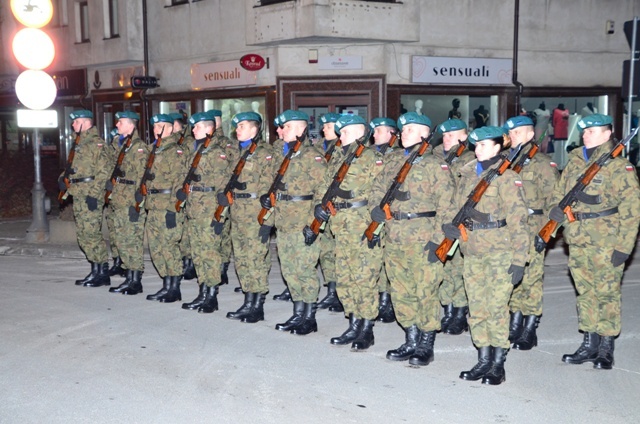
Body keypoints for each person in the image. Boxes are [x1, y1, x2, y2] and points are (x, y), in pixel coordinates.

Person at [549, 114, 640, 370]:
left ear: (607, 134)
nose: (585, 134)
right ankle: (589, 343)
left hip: (607, 240)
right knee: (585, 292)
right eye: (585, 131)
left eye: (592, 131)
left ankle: (606, 348)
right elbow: (559, 194)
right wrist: (555, 211)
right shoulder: (576, 163)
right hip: (577, 239)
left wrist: (624, 246)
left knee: (607, 293)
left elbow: (632, 210)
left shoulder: (620, 167)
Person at [443, 125, 529, 385]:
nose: (477, 150)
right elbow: (456, 206)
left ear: (496, 147)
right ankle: (483, 358)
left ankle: (497, 364)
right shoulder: (467, 173)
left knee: (496, 308)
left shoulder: (506, 177)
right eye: (475, 145)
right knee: (477, 307)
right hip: (472, 250)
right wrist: (450, 226)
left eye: (482, 145)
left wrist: (519, 259)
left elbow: (519, 220)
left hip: (500, 251)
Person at [371, 112, 455, 367]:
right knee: (400, 290)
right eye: (402, 129)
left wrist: (438, 240)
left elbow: (448, 206)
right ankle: (410, 338)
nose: (403, 133)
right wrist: (375, 209)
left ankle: (426, 343)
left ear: (424, 135)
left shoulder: (436, 165)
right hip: (395, 235)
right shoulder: (393, 160)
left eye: (409, 130)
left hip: (423, 236)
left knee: (425, 291)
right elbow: (377, 188)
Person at [310, 114, 384, 351]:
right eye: (339, 132)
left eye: (345, 131)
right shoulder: (339, 156)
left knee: (364, 277)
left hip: (361, 224)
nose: (340, 135)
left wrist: (376, 227)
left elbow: (381, 193)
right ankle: (353, 322)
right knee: (345, 277)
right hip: (340, 224)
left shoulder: (372, 158)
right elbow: (325, 185)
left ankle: (366, 328)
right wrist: (319, 205)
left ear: (359, 131)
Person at [260, 110, 326, 335]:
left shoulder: (312, 156)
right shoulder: (282, 154)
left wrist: (315, 224)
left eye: (286, 127)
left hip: (303, 221)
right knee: (289, 269)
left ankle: (309, 316)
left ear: (300, 128)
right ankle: (298, 313)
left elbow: (322, 192)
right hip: (284, 221)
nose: (281, 131)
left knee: (305, 269)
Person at [503, 116, 559, 350]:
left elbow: (555, 201)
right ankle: (514, 323)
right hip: (509, 228)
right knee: (513, 277)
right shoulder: (505, 160)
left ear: (529, 134)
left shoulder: (542, 163)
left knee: (532, 279)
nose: (512, 136)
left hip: (533, 224)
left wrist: (546, 232)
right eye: (510, 132)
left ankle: (529, 329)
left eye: (517, 132)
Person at [178, 111, 235, 313]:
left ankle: (211, 296)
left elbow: (223, 185)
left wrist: (220, 214)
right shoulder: (197, 150)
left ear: (209, 128)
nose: (193, 130)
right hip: (195, 208)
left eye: (198, 127)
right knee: (199, 253)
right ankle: (203, 292)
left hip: (209, 209)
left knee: (210, 253)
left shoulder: (216, 153)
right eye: (193, 127)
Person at [223, 111, 275, 323]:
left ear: (254, 130)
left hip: (255, 212)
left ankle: (257, 305)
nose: (238, 130)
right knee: (242, 259)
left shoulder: (264, 153)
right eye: (237, 127)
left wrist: (267, 221)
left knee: (256, 259)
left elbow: (271, 186)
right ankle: (247, 300)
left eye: (242, 126)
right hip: (238, 211)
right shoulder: (235, 152)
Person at [58, 110, 111, 287]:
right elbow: (72, 167)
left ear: (86, 123)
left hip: (90, 194)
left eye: (76, 122)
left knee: (92, 233)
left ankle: (102, 271)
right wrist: (63, 179)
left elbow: (104, 173)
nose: (73, 125)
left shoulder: (97, 144)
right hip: (78, 193)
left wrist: (95, 195)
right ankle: (95, 270)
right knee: (83, 235)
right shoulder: (78, 144)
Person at [140, 114, 189, 303]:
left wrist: (173, 208)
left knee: (169, 247)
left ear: (170, 128)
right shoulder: (153, 149)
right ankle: (166, 284)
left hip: (167, 205)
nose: (156, 129)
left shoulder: (175, 151)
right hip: (152, 205)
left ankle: (174, 288)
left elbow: (179, 181)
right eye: (155, 126)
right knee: (156, 247)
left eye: (161, 126)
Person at [432, 118, 475, 335]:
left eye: (452, 134)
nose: (447, 138)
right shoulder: (434, 156)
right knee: (443, 267)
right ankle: (447, 311)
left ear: (464, 136)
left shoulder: (471, 159)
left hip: (459, 218)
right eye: (445, 134)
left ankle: (459, 313)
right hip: (438, 217)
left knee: (458, 268)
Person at [106, 111, 149, 295]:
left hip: (131, 199)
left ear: (131, 126)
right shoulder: (119, 144)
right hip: (118, 198)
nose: (117, 125)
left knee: (132, 240)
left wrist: (138, 202)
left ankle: (135, 280)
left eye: (120, 122)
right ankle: (128, 276)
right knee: (121, 240)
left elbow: (142, 176)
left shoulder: (139, 148)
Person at [368, 117, 399, 323]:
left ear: (391, 134)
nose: (374, 135)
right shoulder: (370, 154)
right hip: (374, 211)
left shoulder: (397, 156)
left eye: (379, 131)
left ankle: (388, 302)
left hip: (391, 214)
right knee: (376, 257)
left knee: (388, 258)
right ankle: (381, 299)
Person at [314, 112, 342, 313]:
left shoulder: (345, 151)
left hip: (338, 208)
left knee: (338, 252)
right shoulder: (316, 148)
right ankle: (331, 291)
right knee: (325, 251)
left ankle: (340, 293)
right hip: (320, 205)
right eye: (324, 126)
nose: (324, 129)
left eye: (329, 126)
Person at [206, 109, 235, 290]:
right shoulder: (205, 143)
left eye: (215, 121)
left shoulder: (226, 144)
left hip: (225, 192)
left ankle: (222, 267)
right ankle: (216, 269)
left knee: (223, 233)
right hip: (209, 196)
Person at [170, 112, 197, 282]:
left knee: (187, 231)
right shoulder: (171, 142)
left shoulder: (187, 142)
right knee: (182, 230)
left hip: (188, 189)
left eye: (172, 124)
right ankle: (185, 260)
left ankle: (190, 262)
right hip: (179, 190)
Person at [105, 127, 126, 278]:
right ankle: (117, 260)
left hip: (123, 195)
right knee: (113, 230)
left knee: (123, 231)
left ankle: (125, 263)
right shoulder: (111, 150)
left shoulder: (129, 149)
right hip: (112, 194)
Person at [551, 104, 570, 169]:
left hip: (564, 130)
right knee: (557, 148)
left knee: (563, 148)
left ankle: (564, 163)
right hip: (558, 130)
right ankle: (557, 163)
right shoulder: (555, 111)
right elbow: (553, 122)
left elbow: (567, 121)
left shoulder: (567, 110)